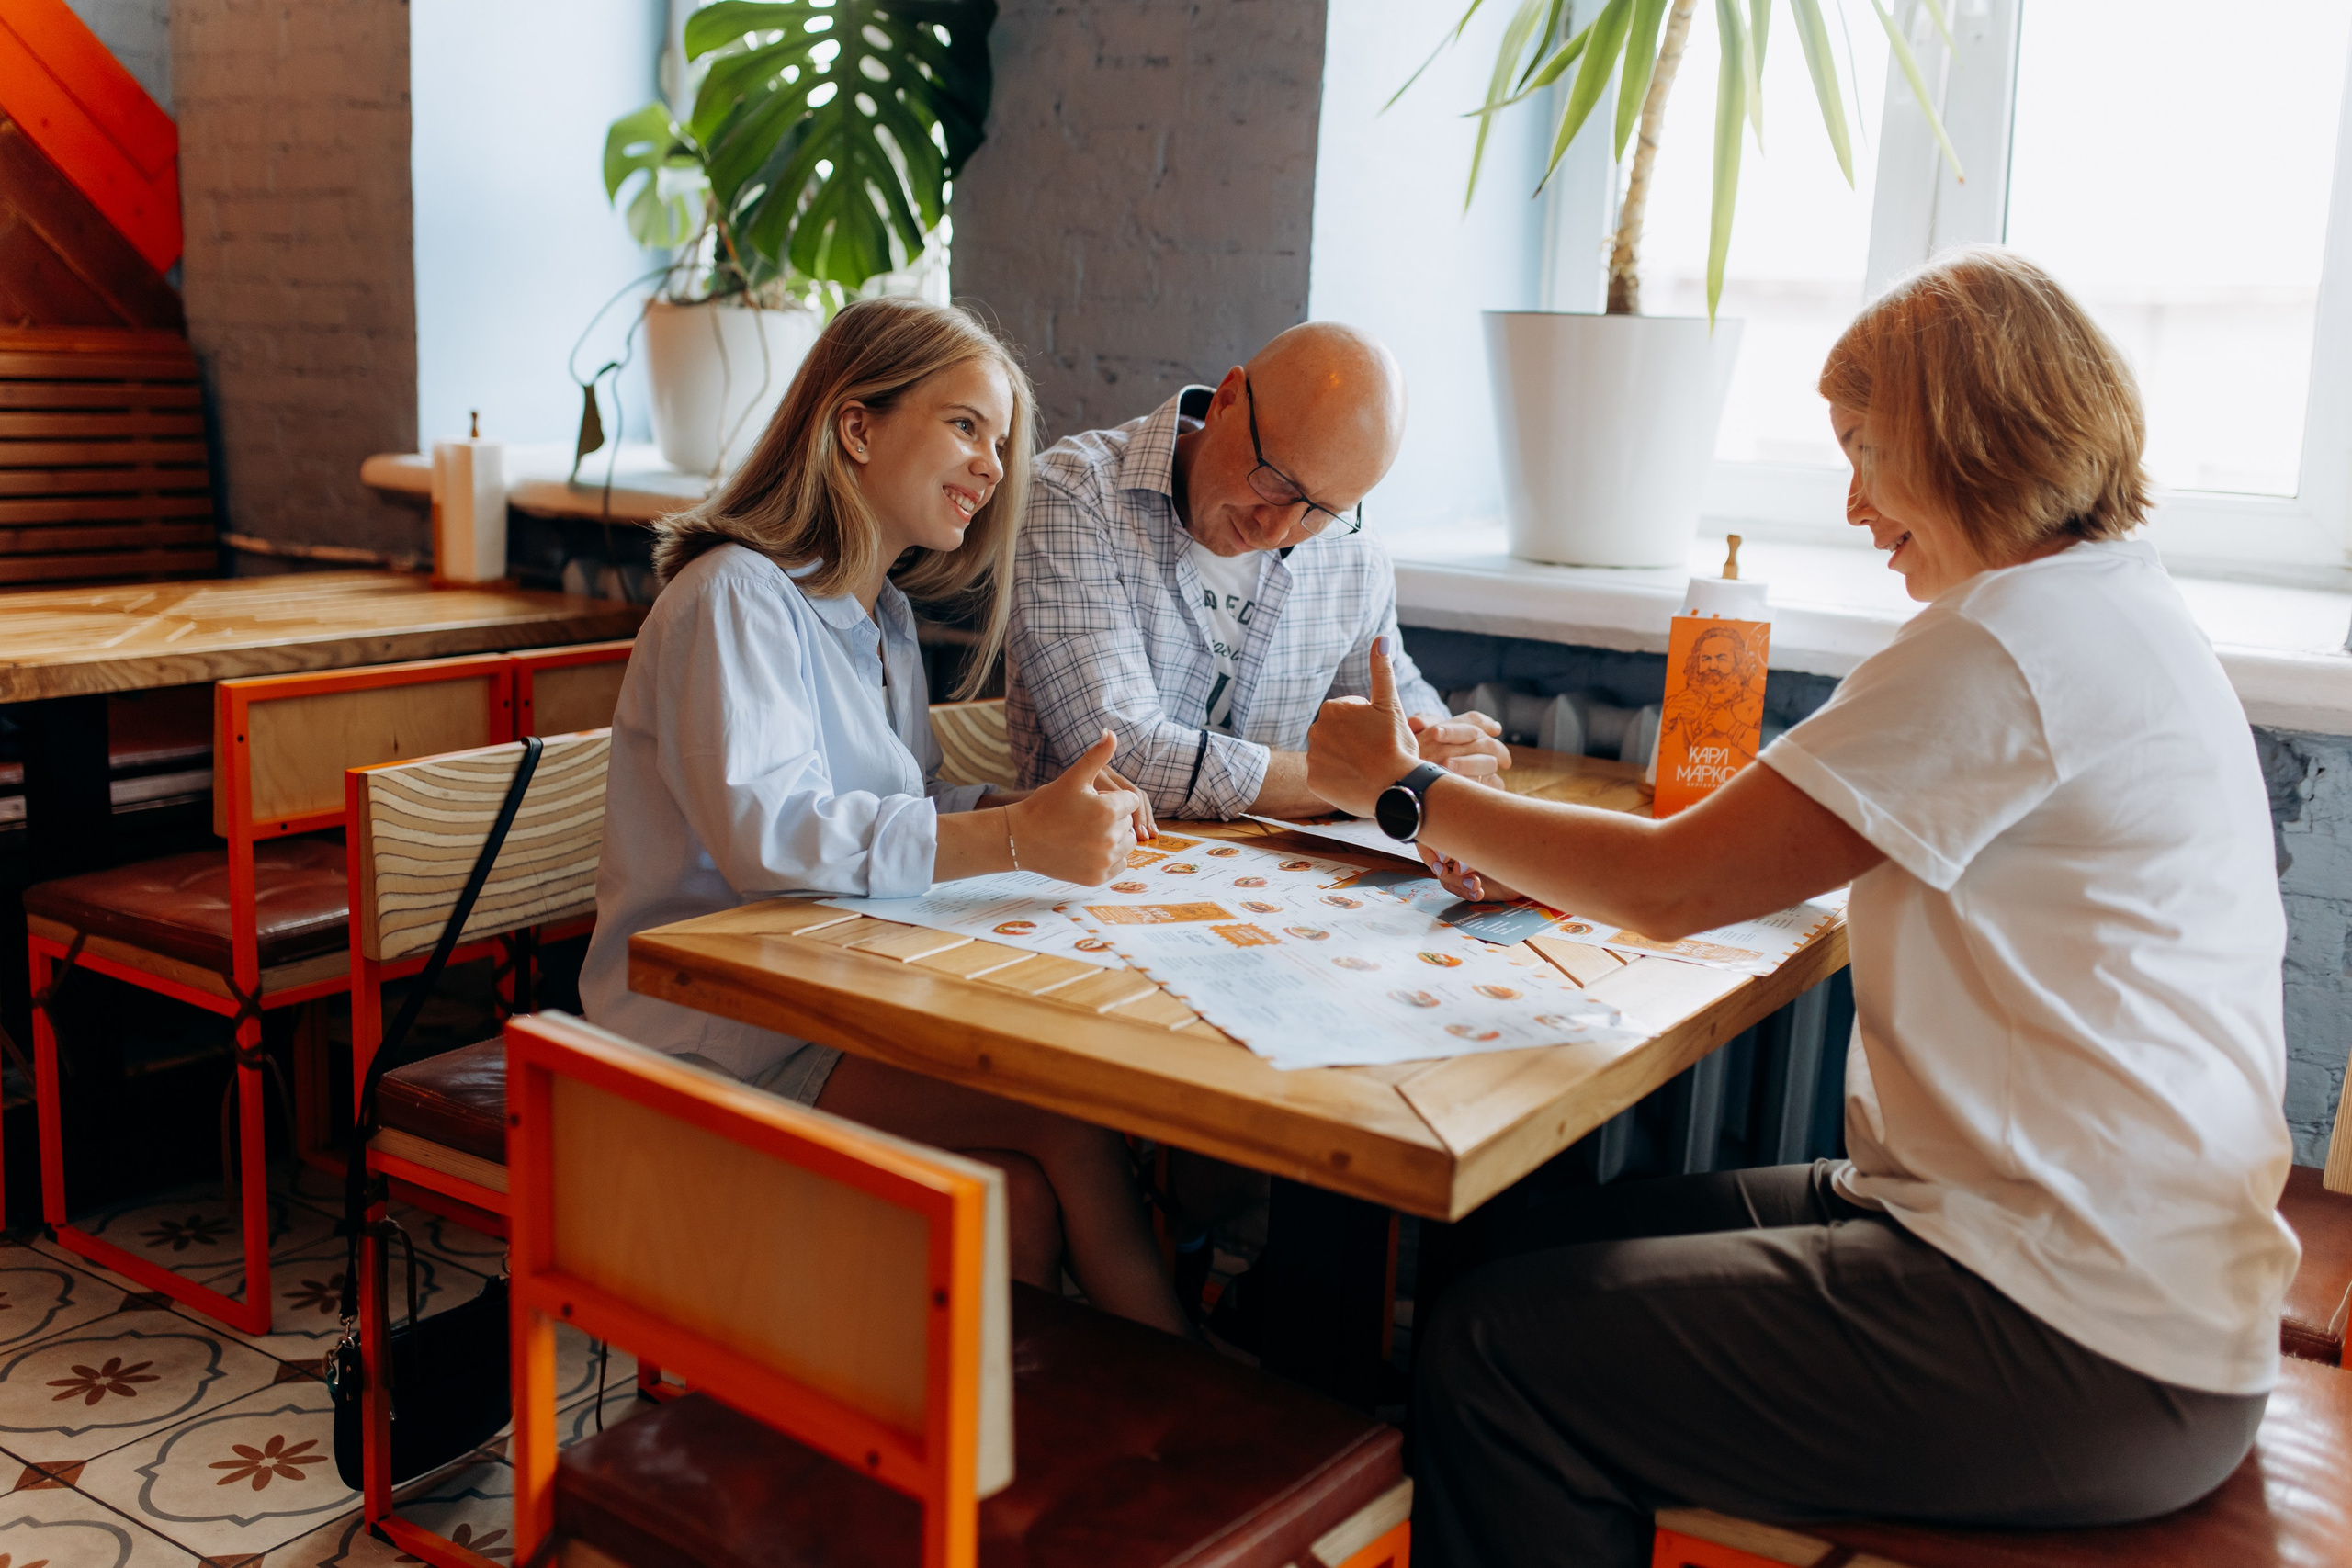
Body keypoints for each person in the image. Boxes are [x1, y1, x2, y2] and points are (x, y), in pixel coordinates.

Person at [1306, 248, 2299, 1564]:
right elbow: (1733, 854)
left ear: (1959, 438)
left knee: (1501, 1351)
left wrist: (1409, 788)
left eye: (1865, 449)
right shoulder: (2103, 603)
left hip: (2082, 1335)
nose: (1849, 501)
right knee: (1509, 1247)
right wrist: (1520, 842)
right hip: (2091, 1266)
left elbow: (1675, 884)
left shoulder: (2005, 645)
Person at [581, 297, 1192, 1337]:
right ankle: (1203, 1423)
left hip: (814, 1004)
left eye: (999, 441)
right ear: (855, 427)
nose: (994, 467)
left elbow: (895, 808)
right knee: (1065, 1119)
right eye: (965, 426)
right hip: (705, 1036)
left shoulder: (884, 622)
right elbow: (774, 841)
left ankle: (1012, 1466)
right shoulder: (737, 596)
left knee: (1022, 1197)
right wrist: (1009, 840)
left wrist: (1013, 808)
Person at [1005, 321, 1511, 822]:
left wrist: (1444, 744)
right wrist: (1389, 780)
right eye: (1276, 481)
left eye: (1320, 511)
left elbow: (1392, 697)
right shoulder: (1071, 497)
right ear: (1227, 399)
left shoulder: (1352, 546)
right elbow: (1125, 760)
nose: (1277, 530)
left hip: (1282, 877)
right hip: (1092, 881)